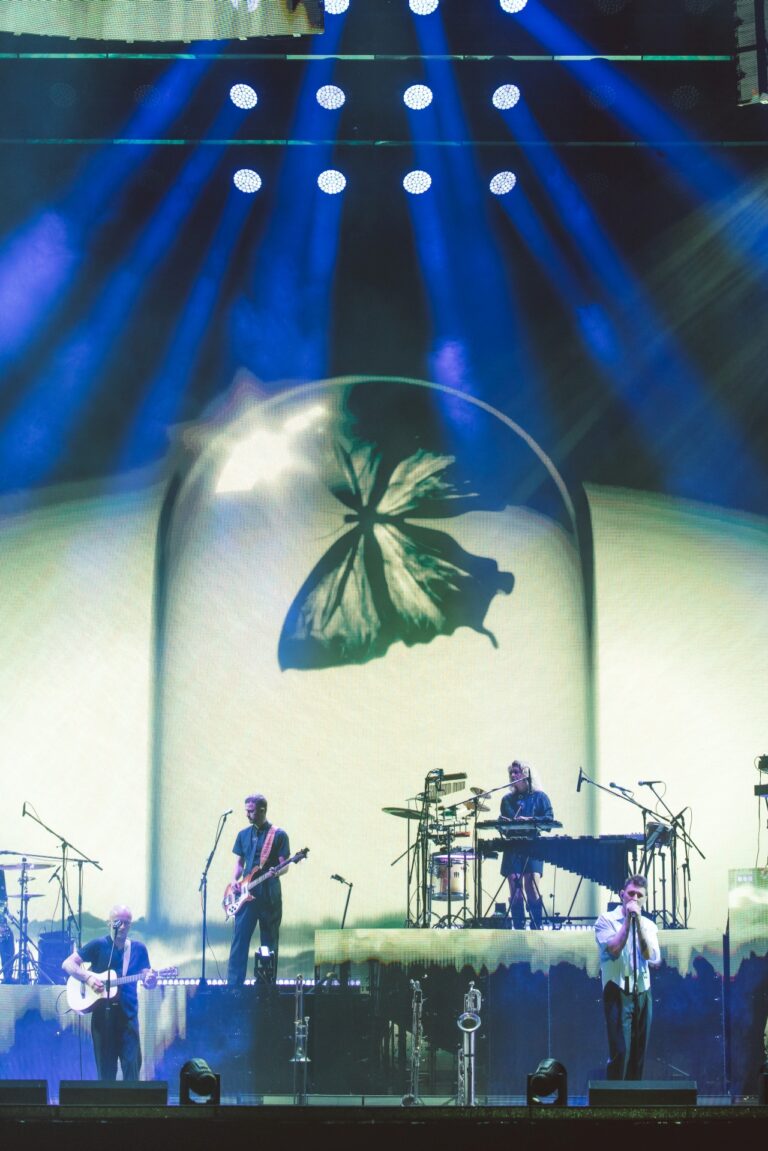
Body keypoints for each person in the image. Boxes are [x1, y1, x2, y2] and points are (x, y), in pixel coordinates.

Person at [61, 904, 156, 1081]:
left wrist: (151, 980)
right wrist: (88, 979)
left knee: (132, 1070)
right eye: (118, 922)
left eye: (126, 923)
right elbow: (68, 964)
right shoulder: (98, 945)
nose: (122, 926)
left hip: (128, 1019)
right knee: (105, 1075)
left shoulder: (139, 949)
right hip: (102, 1020)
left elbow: (147, 978)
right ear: (109, 923)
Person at [595, 873, 661, 1080]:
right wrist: (627, 921)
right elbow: (614, 949)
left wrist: (638, 922)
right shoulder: (606, 920)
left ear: (645, 899)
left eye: (639, 895)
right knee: (621, 1052)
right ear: (622, 894)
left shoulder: (649, 925)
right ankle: (615, 1096)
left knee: (639, 1053)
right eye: (631, 894)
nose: (634, 898)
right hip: (617, 990)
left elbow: (651, 957)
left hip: (643, 992)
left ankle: (635, 1097)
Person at [227, 793, 290, 985]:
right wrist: (234, 880)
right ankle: (234, 986)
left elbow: (285, 865)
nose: (247, 814)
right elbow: (240, 863)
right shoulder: (243, 834)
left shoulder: (279, 834)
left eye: (251, 811)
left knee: (269, 943)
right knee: (239, 940)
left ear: (262, 810)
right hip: (246, 895)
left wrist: (276, 872)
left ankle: (266, 987)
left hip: (269, 895)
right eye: (246, 810)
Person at [499, 760, 554, 929]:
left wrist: (530, 819)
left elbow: (549, 820)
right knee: (515, 887)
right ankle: (519, 928)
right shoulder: (507, 800)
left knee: (531, 886)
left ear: (526, 774)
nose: (513, 775)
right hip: (513, 846)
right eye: (511, 773)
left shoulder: (540, 797)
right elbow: (507, 827)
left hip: (533, 846)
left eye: (516, 772)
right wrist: (503, 824)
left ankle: (537, 927)